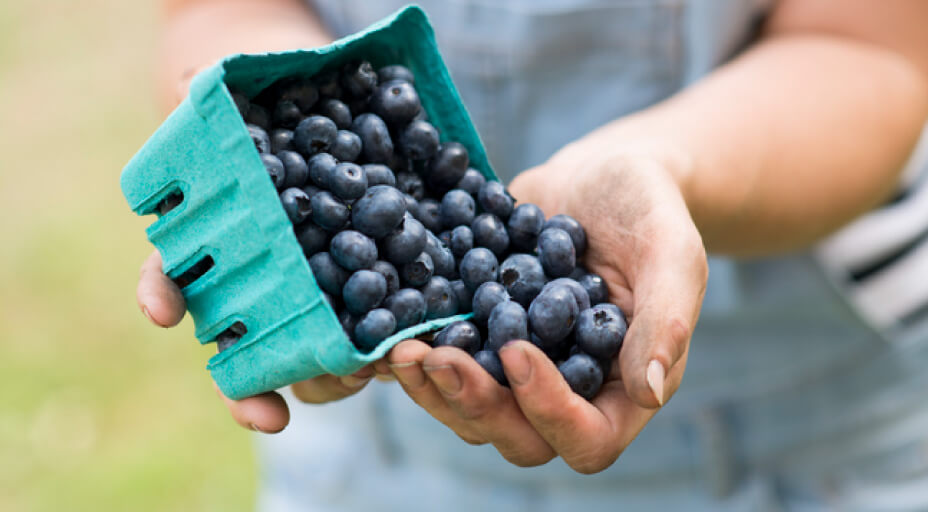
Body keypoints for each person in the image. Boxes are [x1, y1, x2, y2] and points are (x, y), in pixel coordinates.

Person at [137, 0, 928, 509]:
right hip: (371, 461)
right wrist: (238, 148)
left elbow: (871, 51)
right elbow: (222, 9)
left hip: (808, 436)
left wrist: (663, 163)